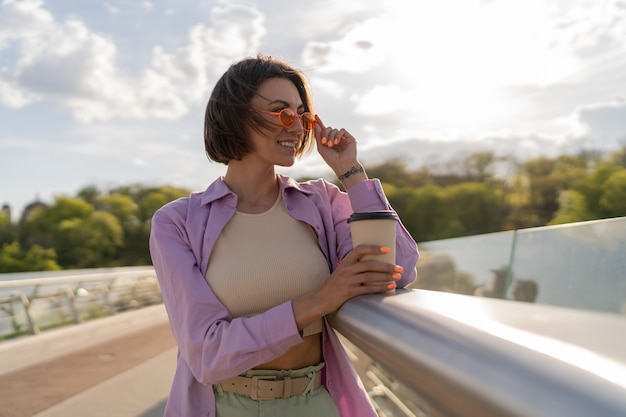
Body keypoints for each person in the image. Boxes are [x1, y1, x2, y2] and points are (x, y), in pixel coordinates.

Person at [149, 54, 419, 417]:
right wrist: (322, 299)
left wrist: (351, 173)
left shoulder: (322, 202)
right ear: (236, 115)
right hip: (224, 407)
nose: (297, 128)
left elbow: (398, 269)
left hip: (317, 402)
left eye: (303, 116)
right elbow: (206, 354)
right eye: (282, 113)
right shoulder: (177, 223)